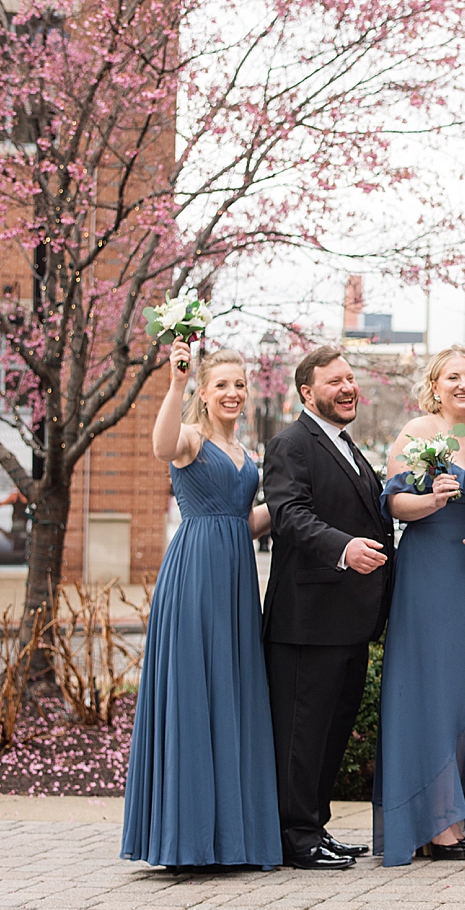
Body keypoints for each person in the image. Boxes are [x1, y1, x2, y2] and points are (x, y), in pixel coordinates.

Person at [122, 343, 281, 869]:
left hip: (236, 576)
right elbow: (160, 446)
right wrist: (175, 383)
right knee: (194, 693)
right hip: (194, 577)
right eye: (222, 386)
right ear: (205, 395)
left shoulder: (247, 455)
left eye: (240, 386)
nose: (233, 394)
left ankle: (230, 840)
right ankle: (186, 840)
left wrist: (287, 505)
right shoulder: (191, 440)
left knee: (231, 693)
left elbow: (247, 521)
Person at [374, 347, 465, 865]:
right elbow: (392, 503)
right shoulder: (417, 432)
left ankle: (452, 813)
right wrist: (431, 499)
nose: (464, 384)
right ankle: (438, 821)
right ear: (435, 386)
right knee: (429, 691)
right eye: (453, 377)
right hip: (429, 573)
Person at [263, 346, 394, 871]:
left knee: (332, 730)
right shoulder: (290, 444)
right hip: (307, 620)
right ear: (307, 392)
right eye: (334, 381)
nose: (347, 388)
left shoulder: (351, 448)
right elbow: (289, 515)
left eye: (350, 379)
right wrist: (343, 548)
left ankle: (315, 826)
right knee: (302, 734)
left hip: (350, 619)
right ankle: (295, 838)